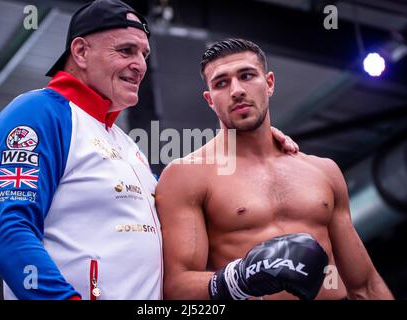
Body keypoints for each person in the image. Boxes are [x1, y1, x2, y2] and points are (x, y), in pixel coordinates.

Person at [0, 1, 296, 300]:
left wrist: (256, 144)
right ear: (80, 51)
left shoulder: (126, 144)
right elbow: (9, 233)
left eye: (144, 53)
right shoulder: (37, 112)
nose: (139, 65)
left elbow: (186, 208)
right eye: (126, 51)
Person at [155, 39, 394, 300]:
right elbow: (176, 288)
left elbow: (365, 283)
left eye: (246, 76)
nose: (236, 90)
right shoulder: (187, 175)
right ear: (209, 99)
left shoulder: (323, 170)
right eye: (221, 83)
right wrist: (239, 277)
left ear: (269, 83)